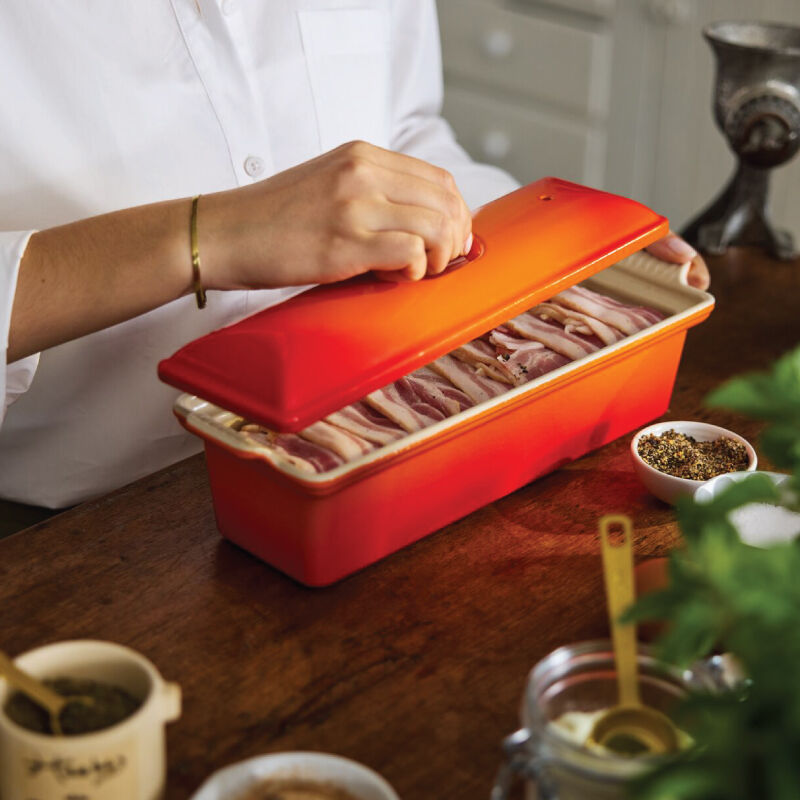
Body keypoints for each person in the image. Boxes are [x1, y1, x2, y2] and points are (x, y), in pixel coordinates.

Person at [0, 1, 708, 509]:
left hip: (372, 459)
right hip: (84, 523)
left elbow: (406, 129)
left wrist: (557, 264)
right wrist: (211, 234)